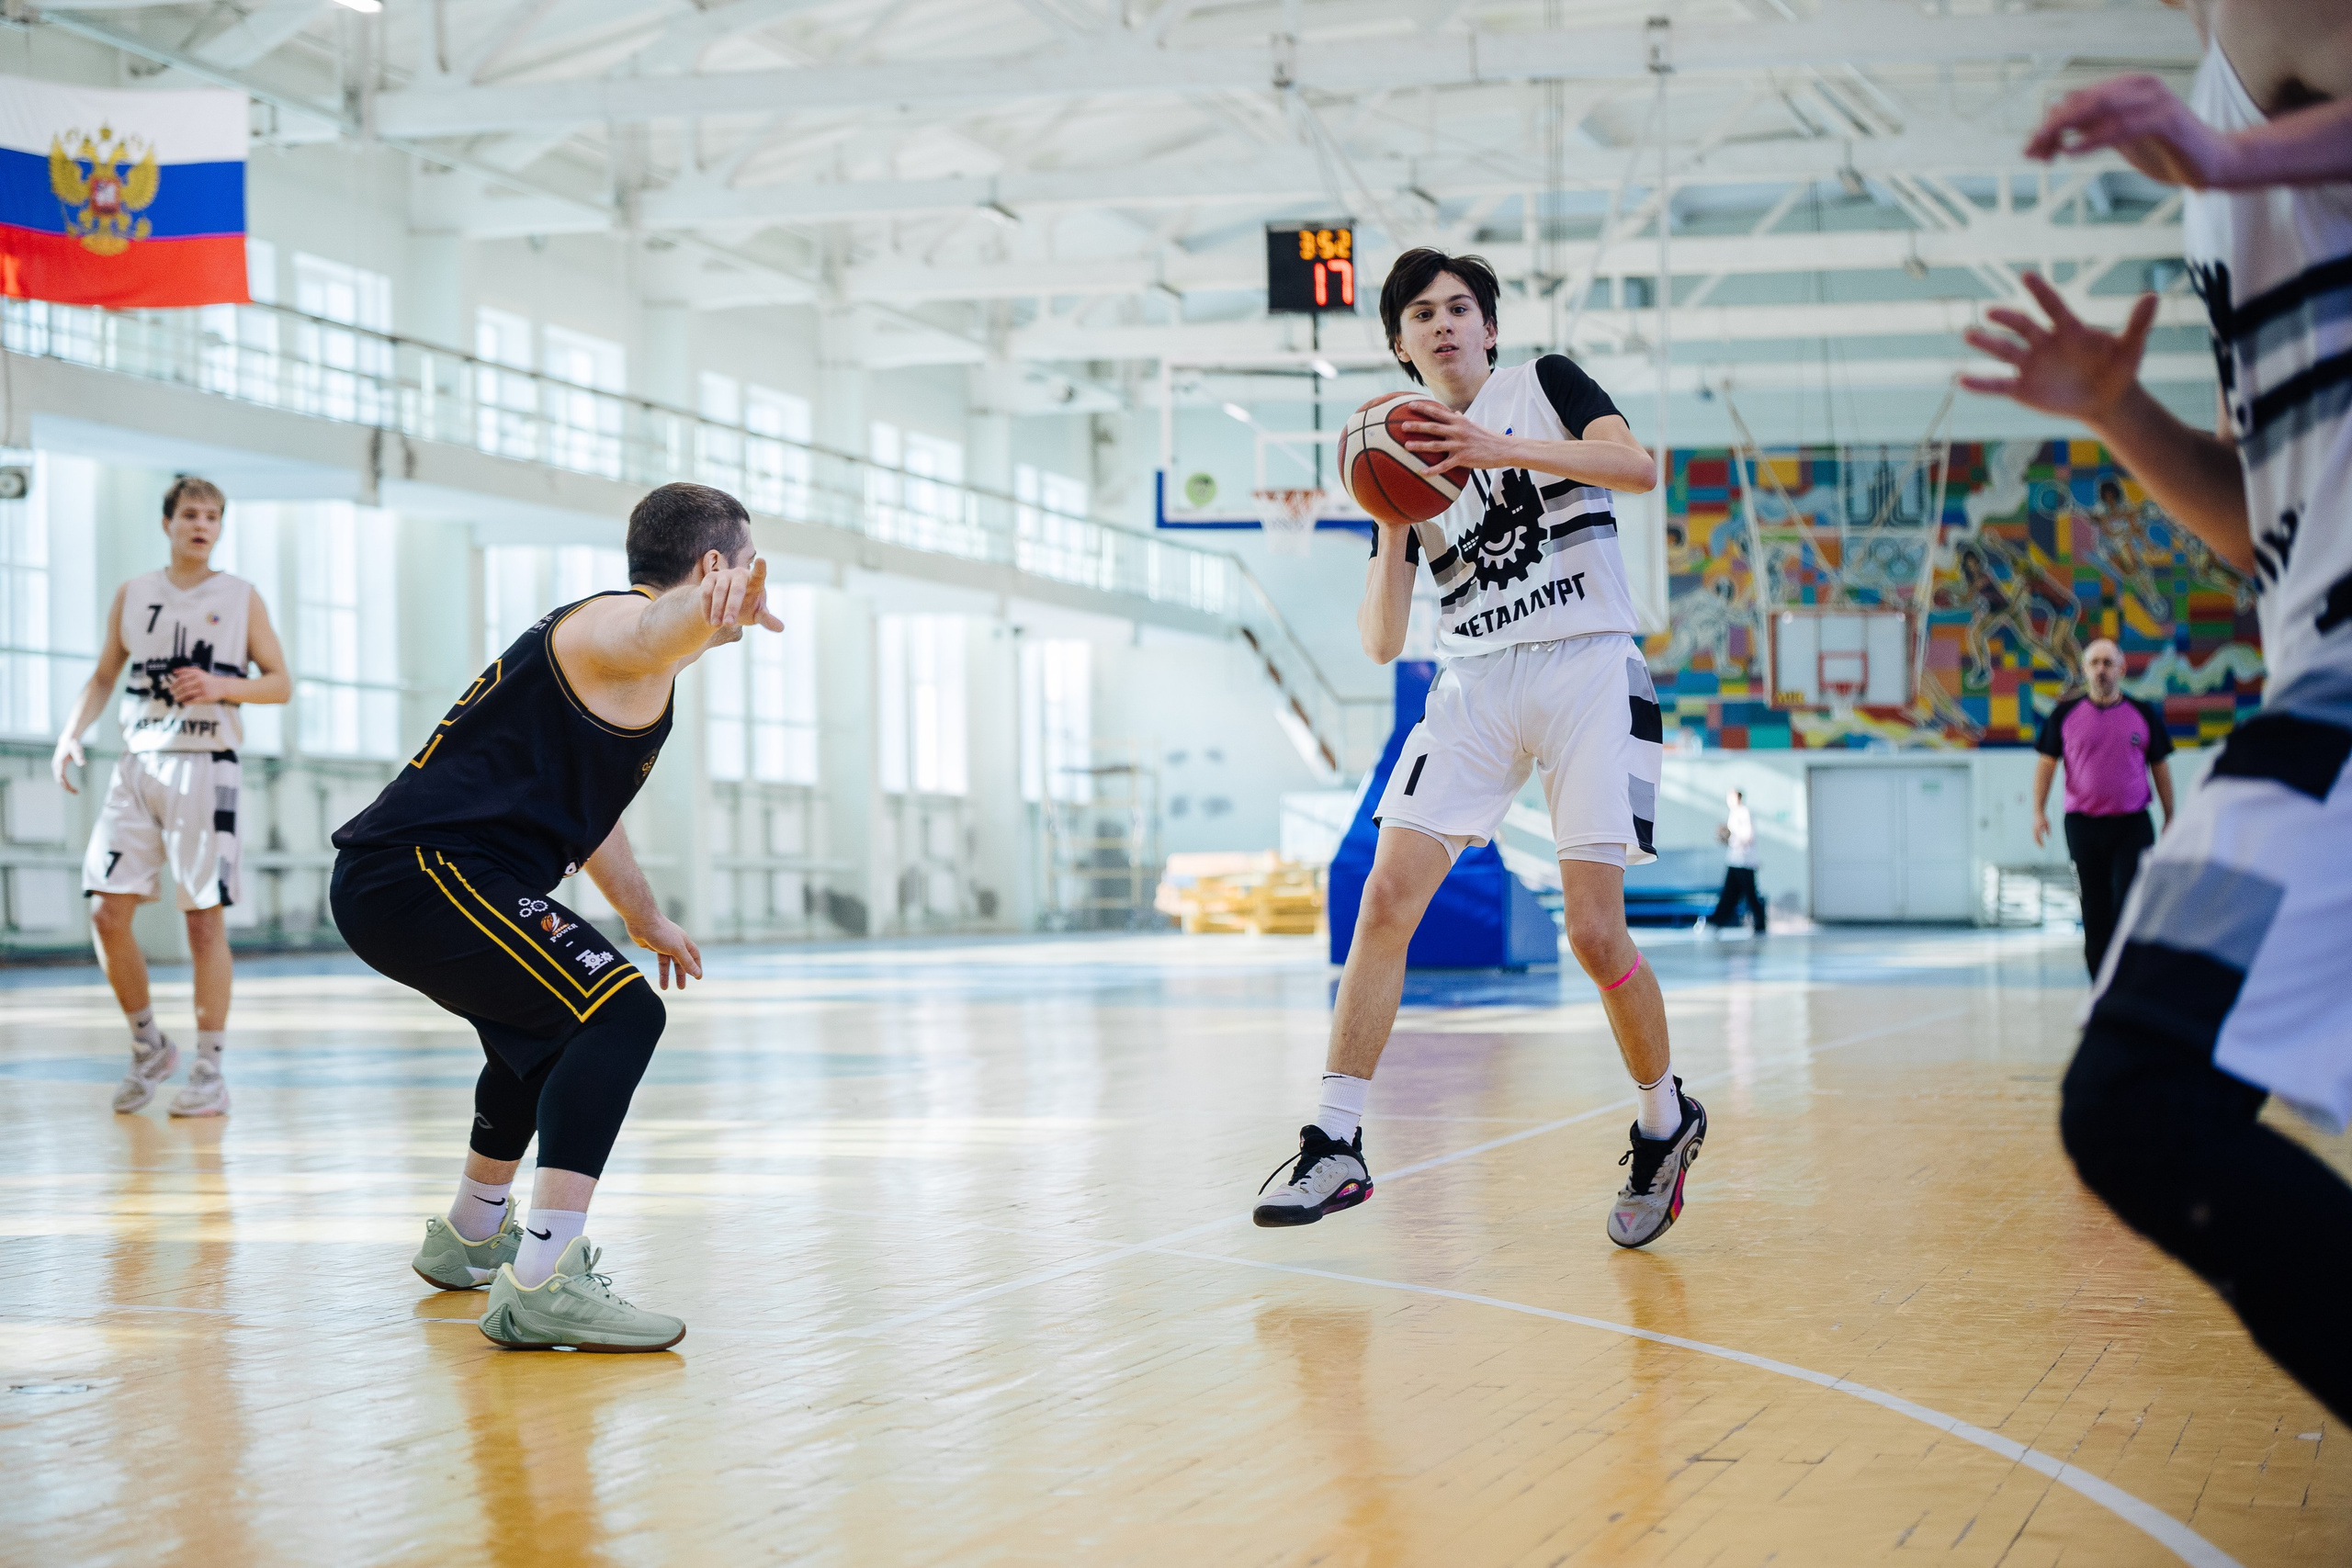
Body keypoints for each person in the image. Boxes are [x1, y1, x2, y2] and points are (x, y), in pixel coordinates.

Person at [1964, 0, 2352, 1420]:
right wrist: (2123, 415)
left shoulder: (2285, 15)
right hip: (2314, 644)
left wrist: (2214, 157)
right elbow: (2273, 519)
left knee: (2138, 1090)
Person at [1252, 248, 1706, 1249]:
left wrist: (1497, 448)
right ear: (1399, 344)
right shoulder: (1399, 457)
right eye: (1422, 313)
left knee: (1593, 934)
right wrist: (1386, 527)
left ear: (1488, 328)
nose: (1445, 322)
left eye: (1461, 307)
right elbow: (1378, 645)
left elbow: (1635, 467)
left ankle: (1663, 1120)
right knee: (1383, 896)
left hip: (1587, 663)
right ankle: (1334, 1139)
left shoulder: (1540, 385)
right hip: (1476, 681)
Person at [329, 482, 780, 1353]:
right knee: (619, 1013)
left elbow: (592, 810)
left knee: (539, 1032)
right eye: (743, 565)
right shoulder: (617, 627)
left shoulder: (630, 678)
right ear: (716, 566)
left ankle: (471, 1232)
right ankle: (544, 1279)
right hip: (419, 872)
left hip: (418, 876)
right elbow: (655, 627)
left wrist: (643, 915)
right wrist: (704, 606)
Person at [51, 477, 290, 1118]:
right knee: (105, 911)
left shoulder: (241, 597)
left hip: (205, 765)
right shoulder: (135, 593)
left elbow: (280, 683)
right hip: (137, 764)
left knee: (202, 919)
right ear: (168, 522)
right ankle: (149, 1043)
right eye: (191, 513)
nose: (202, 524)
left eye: (213, 515)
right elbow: (105, 673)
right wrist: (71, 735)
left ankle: (210, 1067)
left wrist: (219, 683)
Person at [2030, 638, 2175, 975]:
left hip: (2132, 826)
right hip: (2083, 827)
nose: (2101, 670)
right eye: (2094, 663)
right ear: (2084, 670)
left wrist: (2170, 816)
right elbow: (2046, 765)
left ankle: (2127, 982)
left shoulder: (2142, 714)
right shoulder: (2065, 715)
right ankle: (2100, 989)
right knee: (2093, 910)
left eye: (2108, 663)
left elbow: (2161, 767)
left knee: (2130, 906)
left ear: (2122, 669)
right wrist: (2038, 811)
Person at [1701, 789, 1766, 937]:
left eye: (1730, 797)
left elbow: (1748, 836)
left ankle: (1760, 924)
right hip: (1734, 859)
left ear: (1738, 798)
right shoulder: (1734, 814)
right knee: (1729, 894)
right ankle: (1717, 921)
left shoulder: (1744, 812)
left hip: (1745, 861)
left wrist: (1732, 836)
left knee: (1750, 894)